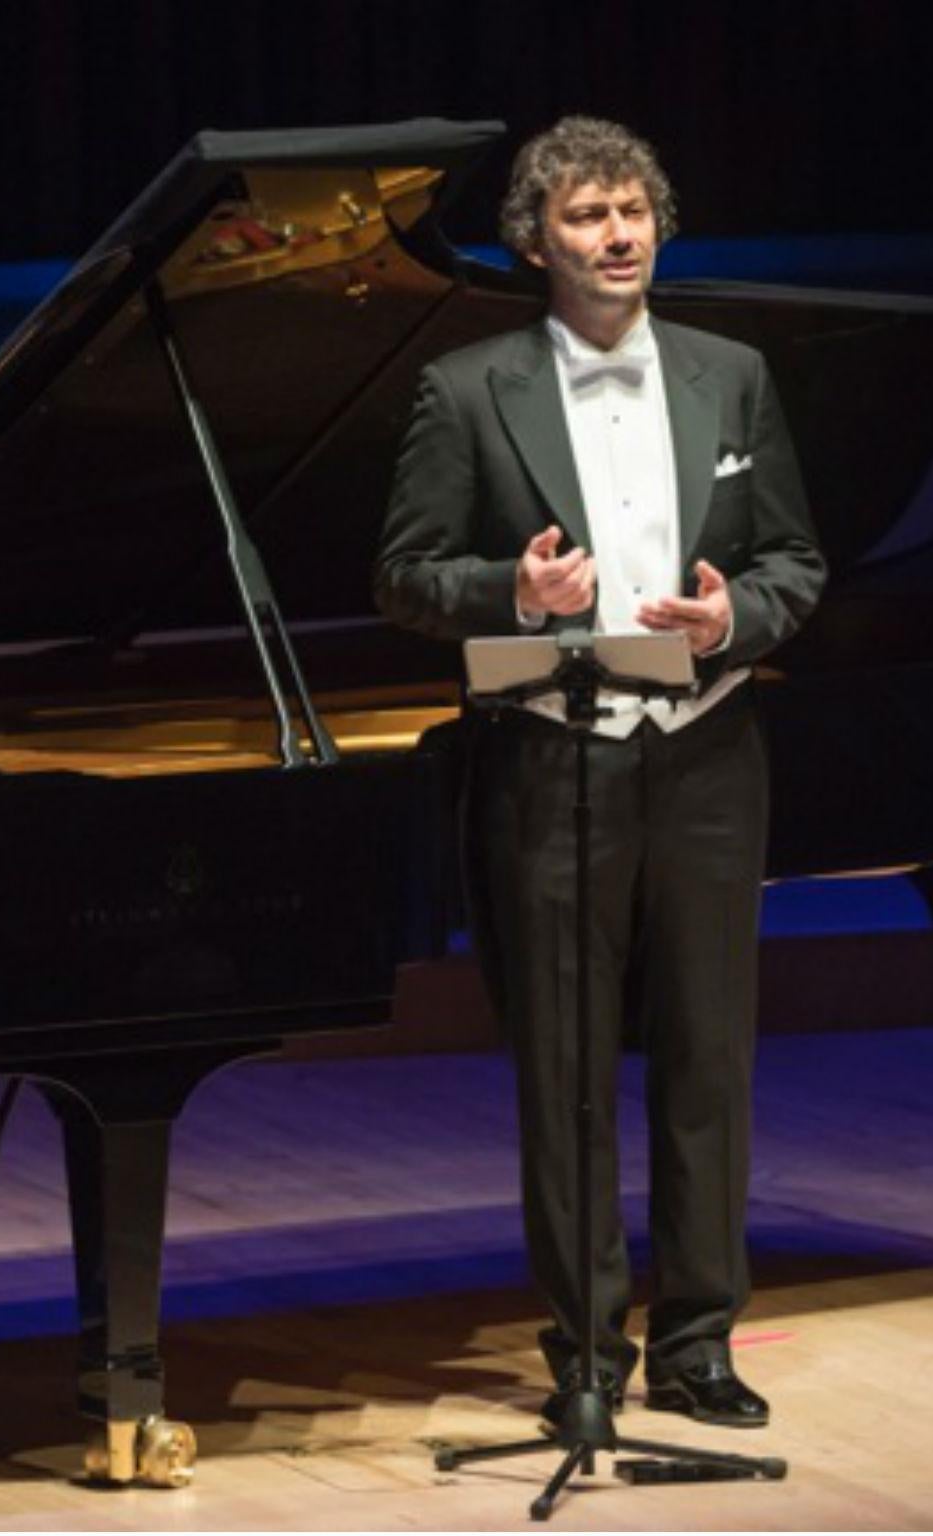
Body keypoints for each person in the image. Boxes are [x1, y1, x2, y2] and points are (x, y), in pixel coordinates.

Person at [374, 118, 825, 1429]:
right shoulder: (466, 389)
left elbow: (797, 560)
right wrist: (507, 591)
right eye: (587, 216)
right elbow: (404, 578)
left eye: (634, 210)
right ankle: (584, 1353)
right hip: (552, 757)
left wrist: (737, 614)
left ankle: (699, 1344)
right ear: (534, 242)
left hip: (709, 753)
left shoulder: (731, 376)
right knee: (565, 1068)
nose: (618, 234)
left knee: (707, 1060)